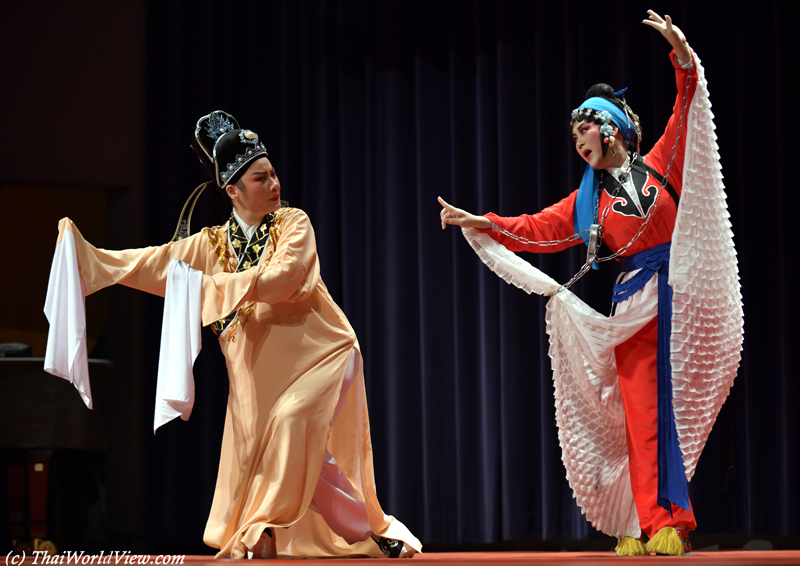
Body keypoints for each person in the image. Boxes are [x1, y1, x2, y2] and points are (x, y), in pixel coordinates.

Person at [44, 112, 421, 559]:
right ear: (233, 190)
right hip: (258, 379)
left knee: (292, 426)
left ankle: (260, 524)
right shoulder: (209, 245)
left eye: (274, 173)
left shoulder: (293, 224)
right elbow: (152, 264)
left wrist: (206, 288)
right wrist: (89, 259)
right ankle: (371, 529)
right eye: (261, 178)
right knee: (308, 460)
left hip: (323, 353)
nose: (275, 183)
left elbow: (285, 279)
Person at [437, 11, 742, 557]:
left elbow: (687, 103)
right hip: (634, 306)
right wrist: (484, 223)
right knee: (643, 416)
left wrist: (680, 52)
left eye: (586, 129)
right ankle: (656, 524)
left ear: (612, 128)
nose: (579, 140)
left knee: (680, 410)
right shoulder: (588, 205)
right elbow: (537, 229)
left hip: (683, 294)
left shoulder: (660, 164)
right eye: (575, 136)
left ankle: (667, 517)